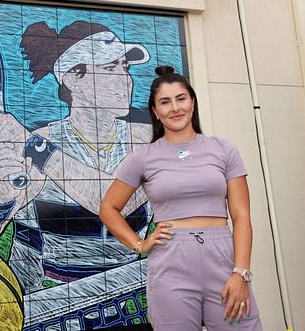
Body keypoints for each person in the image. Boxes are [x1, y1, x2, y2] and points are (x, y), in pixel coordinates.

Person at [0, 20, 154, 320]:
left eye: (125, 68)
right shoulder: (34, 146)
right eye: (110, 69)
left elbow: (111, 201)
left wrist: (34, 148)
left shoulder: (146, 140)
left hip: (126, 305)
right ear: (73, 79)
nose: (125, 80)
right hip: (46, 312)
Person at [99, 66, 263, 330]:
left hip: (222, 259)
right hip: (170, 261)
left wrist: (241, 272)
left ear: (192, 102)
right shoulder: (144, 156)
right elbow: (108, 208)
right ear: (155, 112)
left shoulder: (223, 149)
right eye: (165, 102)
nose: (175, 108)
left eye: (181, 98)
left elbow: (242, 216)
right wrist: (139, 244)